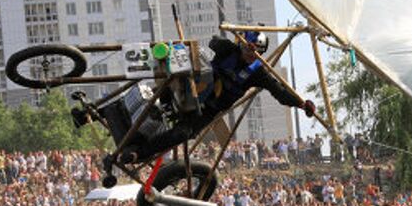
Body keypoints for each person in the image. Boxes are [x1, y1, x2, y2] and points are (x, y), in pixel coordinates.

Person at [121, 31, 316, 163]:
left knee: (182, 133)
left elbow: (280, 92)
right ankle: (132, 119)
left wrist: (301, 104)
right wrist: (232, 44)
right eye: (248, 48)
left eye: (257, 51)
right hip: (192, 90)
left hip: (208, 110)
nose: (251, 54)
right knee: (164, 88)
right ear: (242, 44)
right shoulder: (228, 50)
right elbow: (213, 41)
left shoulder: (258, 72)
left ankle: (139, 153)